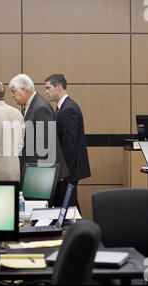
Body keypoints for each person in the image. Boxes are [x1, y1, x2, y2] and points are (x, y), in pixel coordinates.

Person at [8, 73, 69, 187]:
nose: (12, 95)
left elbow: (44, 147)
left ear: (24, 90)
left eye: (13, 91)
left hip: (42, 174)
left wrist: (36, 177)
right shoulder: (32, 105)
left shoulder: (41, 107)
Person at [45, 74, 91, 211]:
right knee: (68, 204)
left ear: (58, 87)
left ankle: (78, 231)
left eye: (48, 88)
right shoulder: (62, 108)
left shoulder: (69, 109)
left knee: (69, 205)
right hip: (67, 169)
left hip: (69, 170)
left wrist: (62, 172)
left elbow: (69, 145)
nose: (46, 92)